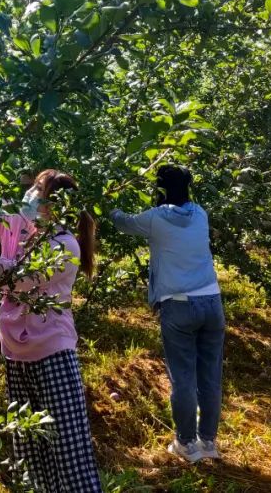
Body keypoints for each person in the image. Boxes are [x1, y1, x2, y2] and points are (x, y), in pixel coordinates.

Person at [0, 169, 102, 493]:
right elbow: (2, 251)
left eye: (36, 191)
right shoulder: (30, 237)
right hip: (17, 352)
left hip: (51, 353)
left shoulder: (65, 244)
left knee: (69, 454)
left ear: (52, 203)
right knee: (30, 449)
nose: (29, 195)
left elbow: (13, 278)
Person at [110, 165, 224, 464]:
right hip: (212, 301)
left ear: (158, 190)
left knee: (183, 376)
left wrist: (107, 201)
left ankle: (186, 443)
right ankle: (209, 442)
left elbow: (123, 222)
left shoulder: (156, 218)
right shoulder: (200, 213)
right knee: (210, 374)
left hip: (179, 304)